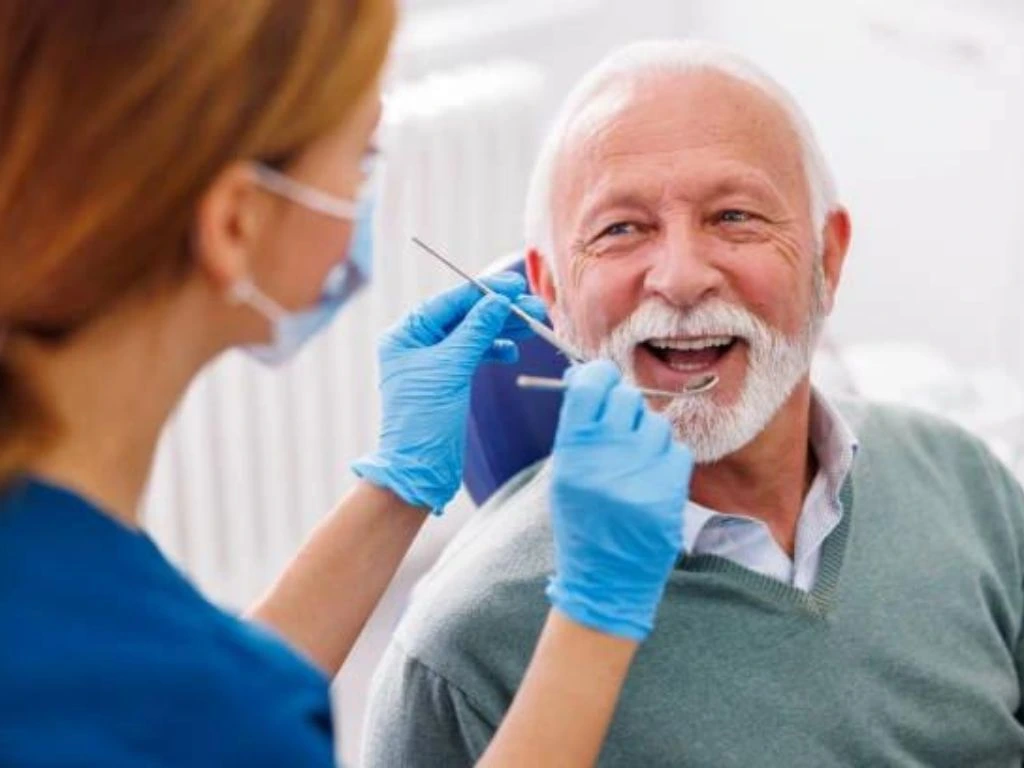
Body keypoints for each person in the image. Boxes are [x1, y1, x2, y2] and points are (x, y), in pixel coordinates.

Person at [0, 5, 697, 766]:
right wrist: (597, 616)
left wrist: (396, 485)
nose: (680, 277)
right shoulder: (204, 699)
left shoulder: (87, 619)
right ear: (235, 223)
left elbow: (164, 721)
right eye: (362, 161)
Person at [362, 40, 1024, 767]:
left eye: (734, 216)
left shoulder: (967, 483)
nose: (680, 279)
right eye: (621, 229)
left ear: (828, 258)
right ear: (551, 293)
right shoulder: (463, 657)